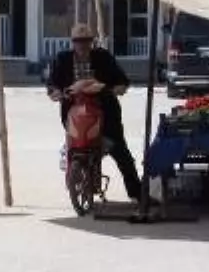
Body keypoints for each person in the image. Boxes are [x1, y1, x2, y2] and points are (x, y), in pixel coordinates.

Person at [46, 23, 142, 202]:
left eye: (86, 41)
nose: (82, 45)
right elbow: (52, 84)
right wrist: (56, 92)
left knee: (121, 152)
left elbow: (122, 81)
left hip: (105, 112)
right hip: (74, 112)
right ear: (72, 42)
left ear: (92, 41)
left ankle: (136, 193)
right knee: (73, 147)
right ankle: (75, 174)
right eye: (78, 41)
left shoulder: (103, 57)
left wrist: (115, 88)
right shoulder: (62, 59)